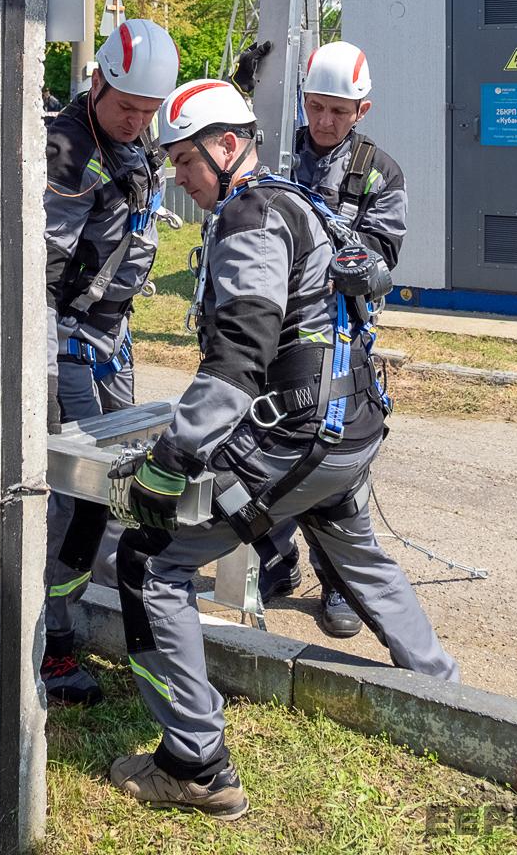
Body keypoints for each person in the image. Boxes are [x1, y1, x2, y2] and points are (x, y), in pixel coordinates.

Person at [109, 79, 456, 819]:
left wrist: (170, 462)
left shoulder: (251, 214)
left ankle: (194, 764)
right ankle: (445, 696)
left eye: (182, 160)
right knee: (354, 549)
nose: (176, 175)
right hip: (349, 425)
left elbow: (238, 356)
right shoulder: (298, 200)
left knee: (149, 562)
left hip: (296, 439)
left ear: (226, 146)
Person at [42, 18, 179, 705]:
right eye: (126, 106)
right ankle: (50, 644)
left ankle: (107, 607)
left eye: (148, 111)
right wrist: (45, 350)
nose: (136, 121)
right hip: (66, 338)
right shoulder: (66, 149)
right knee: (76, 492)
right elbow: (39, 269)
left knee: (126, 479)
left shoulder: (131, 140)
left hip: (110, 335)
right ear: (96, 81)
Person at [256, 38, 407, 638]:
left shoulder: (380, 171)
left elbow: (385, 252)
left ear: (361, 112)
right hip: (277, 329)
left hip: (342, 336)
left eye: (337, 112)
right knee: (263, 448)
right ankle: (273, 559)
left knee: (337, 462)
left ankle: (339, 583)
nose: (323, 121)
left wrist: (355, 262)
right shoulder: (278, 154)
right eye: (315, 107)